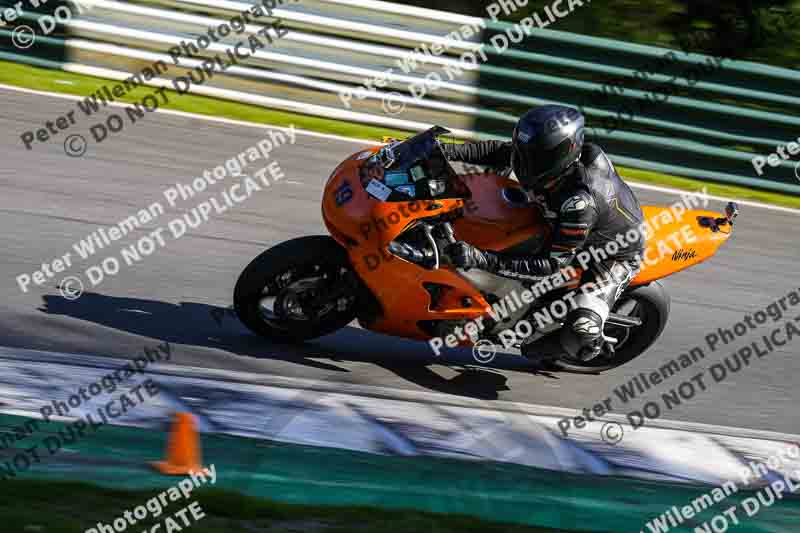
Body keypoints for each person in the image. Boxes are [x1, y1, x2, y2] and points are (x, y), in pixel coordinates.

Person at [440, 104, 646, 362]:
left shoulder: (579, 203)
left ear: (559, 157)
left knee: (580, 331)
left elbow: (551, 265)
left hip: (610, 254)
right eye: (524, 153)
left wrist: (480, 258)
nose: (522, 162)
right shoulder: (544, 162)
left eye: (532, 157)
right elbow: (500, 152)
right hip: (558, 223)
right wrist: (442, 150)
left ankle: (584, 345)